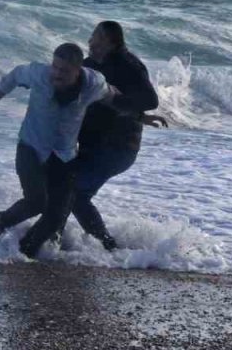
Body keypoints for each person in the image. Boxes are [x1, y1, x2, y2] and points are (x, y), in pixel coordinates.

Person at [0, 43, 119, 258]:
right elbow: (13, 76)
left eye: (64, 71)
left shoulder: (93, 83)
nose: (57, 74)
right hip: (31, 148)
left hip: (65, 155)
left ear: (78, 70)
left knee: (56, 216)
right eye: (56, 67)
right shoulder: (38, 74)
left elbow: (112, 95)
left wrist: (140, 116)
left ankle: (24, 253)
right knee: (36, 202)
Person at [55, 21, 161, 251]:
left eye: (96, 37)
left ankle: (107, 247)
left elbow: (151, 100)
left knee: (75, 194)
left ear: (109, 42)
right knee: (63, 188)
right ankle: (53, 239)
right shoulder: (90, 64)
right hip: (91, 144)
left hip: (118, 147)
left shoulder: (128, 66)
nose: (90, 41)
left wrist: (115, 102)